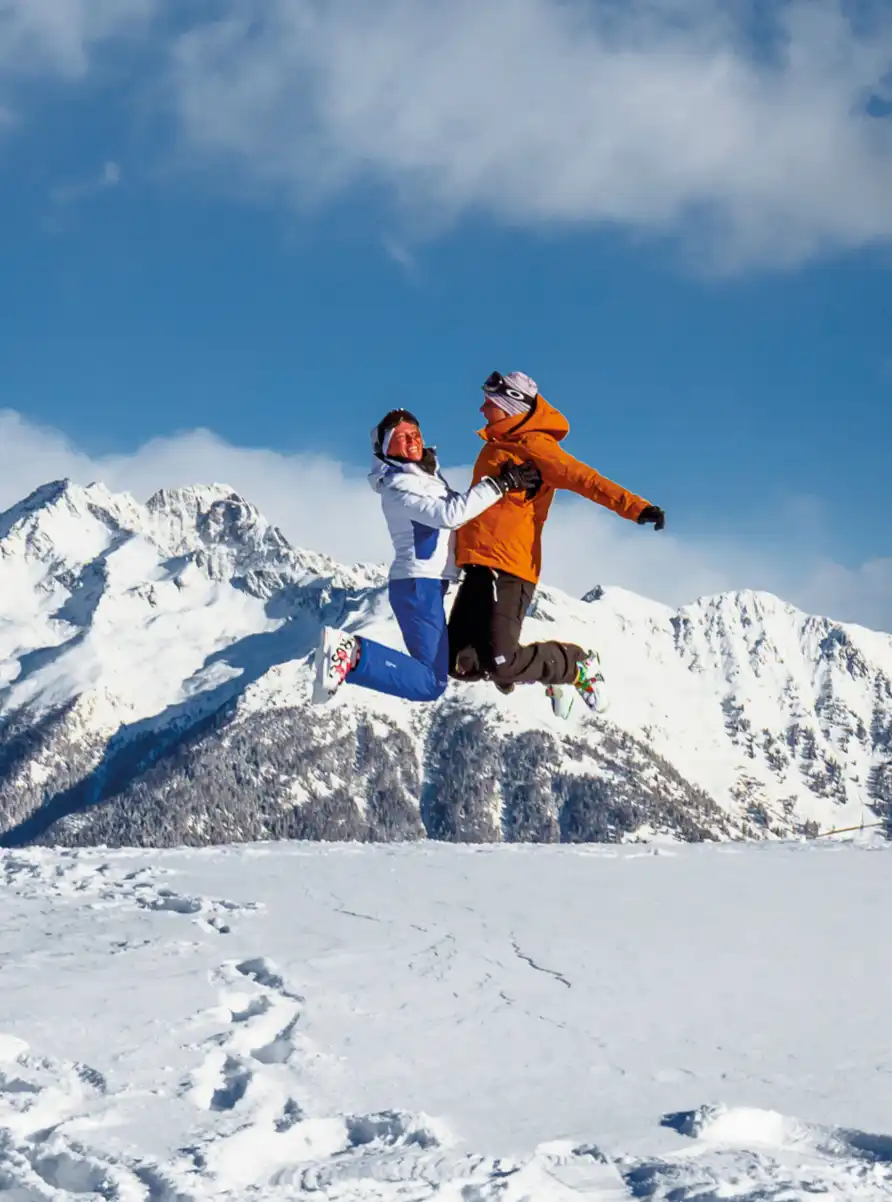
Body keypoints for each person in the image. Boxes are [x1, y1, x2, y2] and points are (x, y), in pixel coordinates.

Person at [449, 371, 665, 717]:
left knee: (502, 665)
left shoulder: (537, 448)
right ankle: (535, 670)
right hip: (477, 565)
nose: (481, 408)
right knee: (458, 662)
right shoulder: (495, 446)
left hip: (511, 568)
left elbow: (586, 480)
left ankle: (574, 664)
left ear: (510, 406)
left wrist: (636, 508)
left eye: (489, 402)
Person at [312, 408, 540, 705]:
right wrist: (501, 483)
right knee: (431, 683)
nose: (413, 440)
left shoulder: (427, 478)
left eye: (416, 434)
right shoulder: (396, 486)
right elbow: (451, 514)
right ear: (385, 449)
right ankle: (352, 653)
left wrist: (505, 488)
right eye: (402, 437)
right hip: (417, 584)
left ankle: (521, 674)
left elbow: (464, 508)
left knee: (443, 669)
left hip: (428, 585)